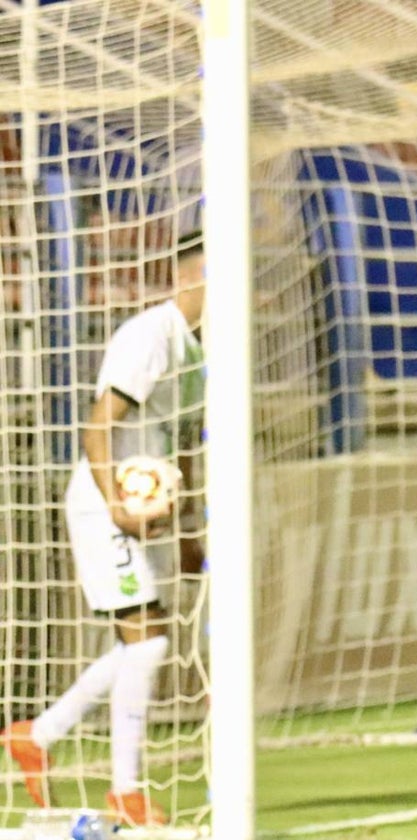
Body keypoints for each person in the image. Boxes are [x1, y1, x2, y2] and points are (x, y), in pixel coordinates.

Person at [2, 232, 206, 827]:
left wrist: (188, 529)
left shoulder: (198, 351)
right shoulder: (148, 336)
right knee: (150, 641)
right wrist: (115, 502)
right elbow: (97, 427)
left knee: (142, 643)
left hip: (141, 508)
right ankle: (124, 788)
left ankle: (37, 736)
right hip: (104, 505)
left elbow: (181, 442)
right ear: (192, 276)